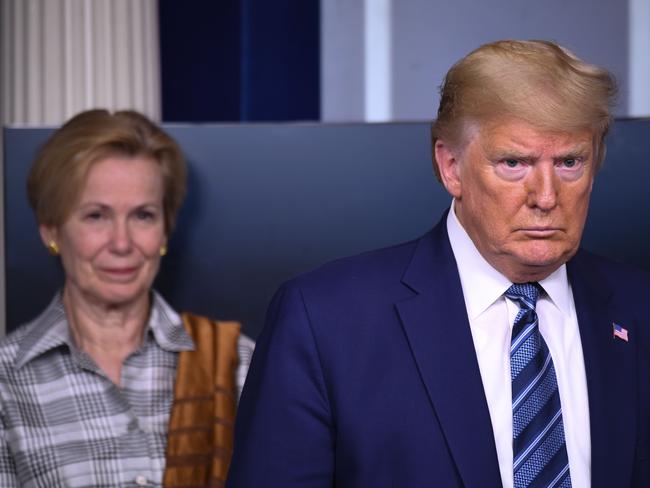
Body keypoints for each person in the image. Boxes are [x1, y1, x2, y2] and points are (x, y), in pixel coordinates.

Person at [227, 40, 650, 487]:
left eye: (569, 162)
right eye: (513, 162)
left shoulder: (638, 307)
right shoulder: (325, 321)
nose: (546, 197)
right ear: (451, 167)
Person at [0, 109, 254, 487]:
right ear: (51, 230)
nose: (122, 243)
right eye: (96, 216)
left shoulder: (238, 364)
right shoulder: (6, 381)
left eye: (143, 216)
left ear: (166, 230)